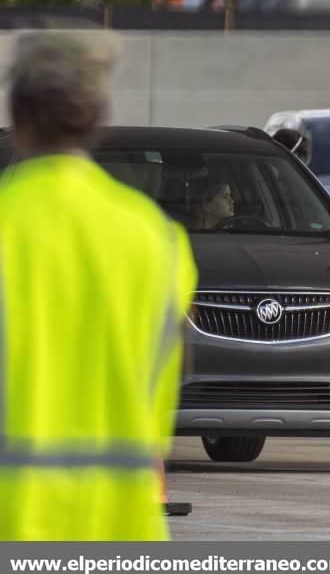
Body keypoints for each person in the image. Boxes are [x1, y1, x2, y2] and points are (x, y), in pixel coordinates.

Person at [0, 30, 197, 539]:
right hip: (123, 528)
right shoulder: (159, 241)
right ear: (96, 117)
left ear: (17, 115)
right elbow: (162, 394)